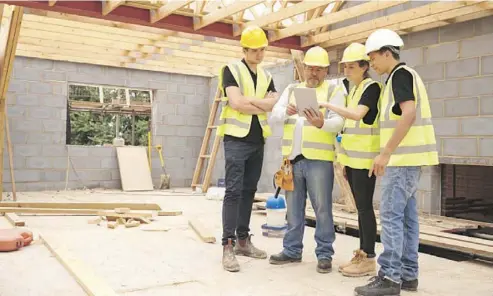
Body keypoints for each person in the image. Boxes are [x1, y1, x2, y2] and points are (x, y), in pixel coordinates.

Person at [354, 29, 439, 296]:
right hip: (410, 159)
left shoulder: (400, 76)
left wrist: (386, 153)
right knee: (406, 219)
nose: (372, 64)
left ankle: (390, 278)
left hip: (402, 160)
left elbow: (409, 113)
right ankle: (408, 275)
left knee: (391, 216)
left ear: (387, 53)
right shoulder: (404, 77)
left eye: (374, 57)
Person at [268, 46, 345, 274]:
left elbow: (339, 121)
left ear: (325, 71)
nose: (313, 73)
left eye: (319, 70)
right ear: (304, 69)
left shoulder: (333, 91)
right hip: (292, 160)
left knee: (322, 209)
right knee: (293, 209)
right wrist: (286, 112)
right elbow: (273, 118)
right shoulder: (292, 89)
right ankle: (292, 250)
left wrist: (322, 122)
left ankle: (324, 254)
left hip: (319, 160)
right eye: (310, 68)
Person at [216, 25, 279, 272]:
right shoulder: (230, 70)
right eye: (255, 50)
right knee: (233, 192)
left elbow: (273, 104)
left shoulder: (266, 75)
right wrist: (260, 104)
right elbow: (236, 102)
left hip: (257, 140)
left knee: (248, 191)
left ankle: (243, 240)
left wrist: (250, 102)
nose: (259, 55)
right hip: (235, 139)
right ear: (244, 49)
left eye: (262, 50)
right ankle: (227, 246)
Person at [319, 42, 382, 278]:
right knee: (360, 208)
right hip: (352, 159)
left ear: (365, 67)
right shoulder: (352, 89)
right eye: (345, 66)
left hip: (365, 160)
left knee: (365, 208)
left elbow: (357, 115)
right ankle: (362, 254)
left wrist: (326, 104)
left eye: (352, 66)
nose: (347, 70)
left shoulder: (371, 88)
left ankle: (368, 257)